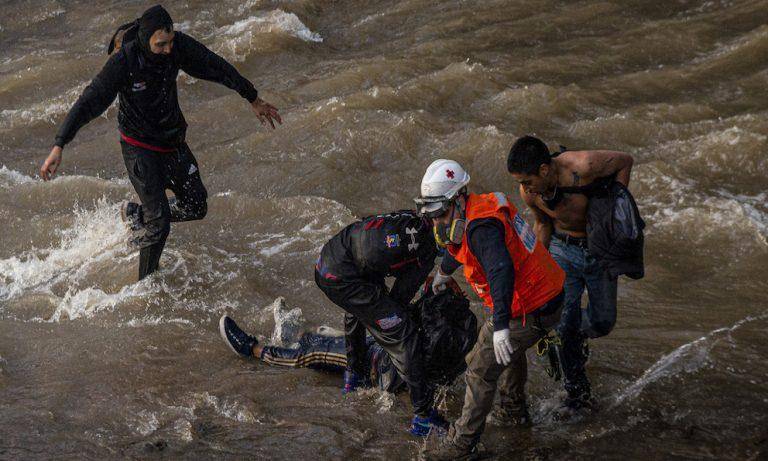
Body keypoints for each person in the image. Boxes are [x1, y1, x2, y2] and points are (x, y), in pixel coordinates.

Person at [39, 5, 282, 280]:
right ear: (145, 40)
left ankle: (136, 214)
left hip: (172, 143)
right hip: (139, 148)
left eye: (170, 42)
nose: (168, 49)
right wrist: (60, 144)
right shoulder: (125, 62)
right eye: (160, 45)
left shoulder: (177, 48)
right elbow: (88, 102)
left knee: (195, 205)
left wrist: (252, 98)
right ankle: (145, 286)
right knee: (160, 224)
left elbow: (215, 67)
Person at [416, 159, 565, 461]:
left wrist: (500, 326)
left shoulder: (482, 228)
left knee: (480, 369)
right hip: (547, 294)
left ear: (459, 199)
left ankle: (459, 446)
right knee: (506, 353)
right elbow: (462, 244)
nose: (439, 223)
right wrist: (444, 272)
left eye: (441, 214)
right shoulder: (478, 208)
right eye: (433, 216)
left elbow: (501, 270)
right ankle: (514, 412)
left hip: (530, 305)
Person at [506, 135, 635, 414]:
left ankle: (576, 337)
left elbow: (625, 161)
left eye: (527, 181)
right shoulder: (529, 192)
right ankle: (577, 393)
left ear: (543, 170)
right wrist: (535, 270)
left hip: (599, 251)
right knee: (564, 325)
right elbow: (542, 225)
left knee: (603, 322)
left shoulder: (584, 165)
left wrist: (615, 209)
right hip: (562, 252)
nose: (524, 188)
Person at [314, 209, 444, 436]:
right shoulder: (427, 251)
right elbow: (400, 299)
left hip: (328, 260)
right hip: (346, 276)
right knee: (404, 332)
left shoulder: (407, 218)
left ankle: (354, 376)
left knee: (358, 308)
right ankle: (423, 416)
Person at [218, 283, 477, 396]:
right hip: (391, 361)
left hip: (379, 365)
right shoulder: (464, 334)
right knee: (331, 341)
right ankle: (294, 334)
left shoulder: (435, 328)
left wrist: (428, 291)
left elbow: (406, 321)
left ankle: (251, 349)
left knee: (314, 351)